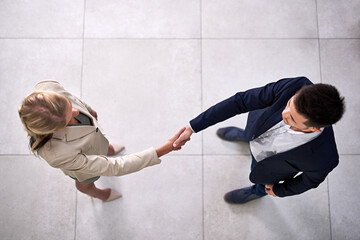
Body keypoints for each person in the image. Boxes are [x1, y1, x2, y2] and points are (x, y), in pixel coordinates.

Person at [173, 76, 345, 204]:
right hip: (258, 128)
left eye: (292, 119)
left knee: (262, 183)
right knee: (251, 136)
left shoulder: (324, 158)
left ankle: (256, 192)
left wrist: (279, 191)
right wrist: (193, 127)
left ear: (313, 128)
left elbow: (309, 181)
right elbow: (240, 102)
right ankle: (246, 137)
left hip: (268, 164)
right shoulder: (295, 85)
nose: (283, 114)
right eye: (288, 105)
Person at [18, 80, 185, 202]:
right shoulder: (57, 154)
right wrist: (165, 149)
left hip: (93, 142)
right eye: (70, 117)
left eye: (69, 105)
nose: (77, 112)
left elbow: (72, 98)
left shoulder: (49, 89)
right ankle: (100, 195)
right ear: (54, 129)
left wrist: (90, 110)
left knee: (100, 143)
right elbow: (114, 167)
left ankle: (107, 148)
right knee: (86, 182)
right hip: (84, 167)